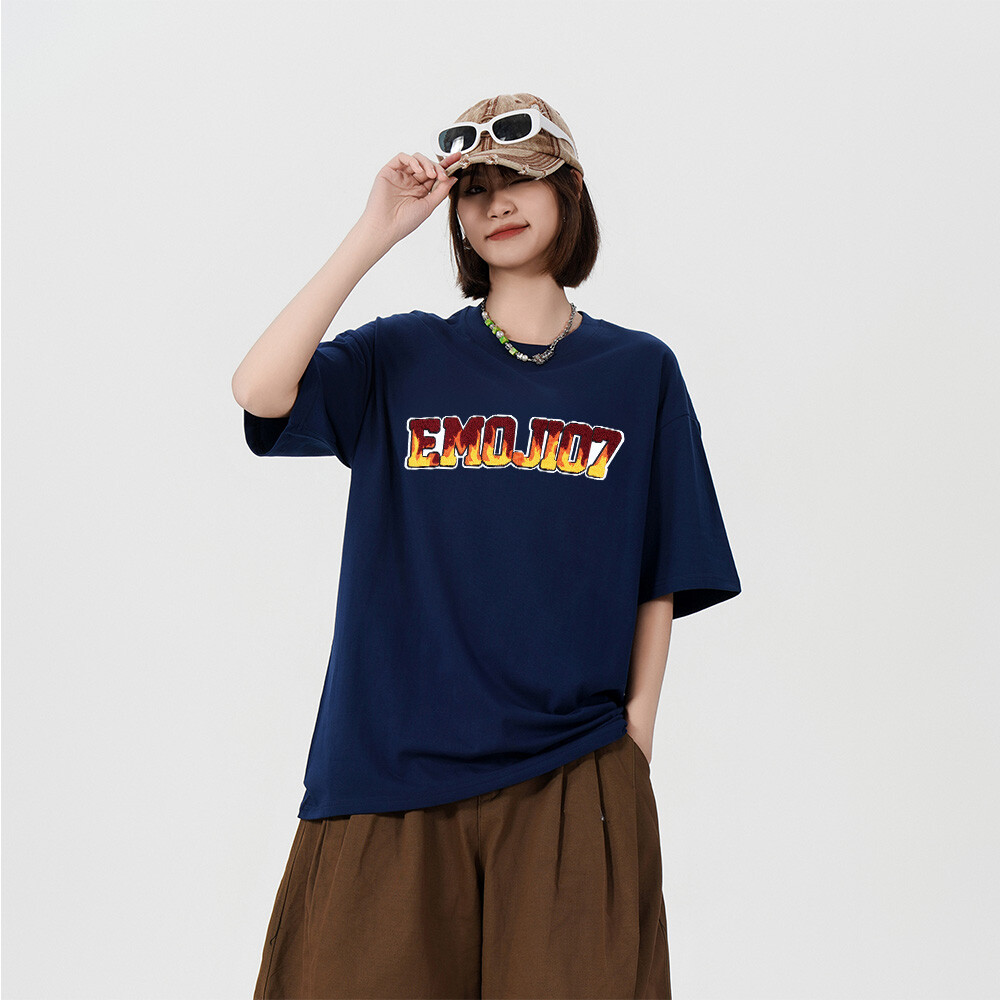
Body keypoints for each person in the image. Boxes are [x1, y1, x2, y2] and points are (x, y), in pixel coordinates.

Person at [233, 92, 741, 1000]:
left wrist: (633, 740)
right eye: (476, 190)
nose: (497, 203)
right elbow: (260, 390)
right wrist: (376, 230)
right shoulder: (401, 356)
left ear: (569, 192)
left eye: (521, 181)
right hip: (387, 769)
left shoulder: (639, 371)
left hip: (572, 771)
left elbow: (661, 569)